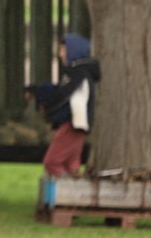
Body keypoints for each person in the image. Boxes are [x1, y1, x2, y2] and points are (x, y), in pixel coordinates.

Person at [32, 33, 100, 176]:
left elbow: (63, 96)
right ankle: (77, 193)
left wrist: (48, 107)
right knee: (71, 165)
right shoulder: (83, 73)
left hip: (73, 124)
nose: (60, 54)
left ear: (72, 51)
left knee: (52, 162)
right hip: (80, 125)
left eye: (63, 50)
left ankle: (68, 193)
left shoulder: (76, 73)